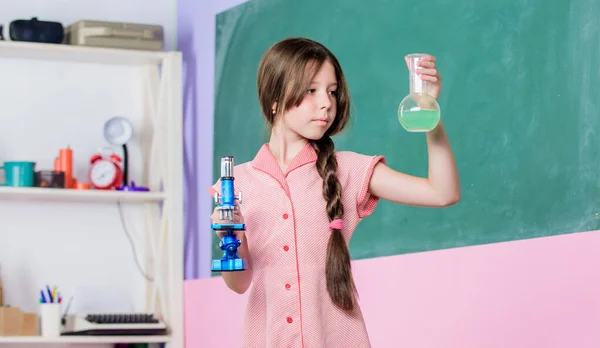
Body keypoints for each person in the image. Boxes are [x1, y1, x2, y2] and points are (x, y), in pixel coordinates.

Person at [208, 37, 460, 348]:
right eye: (311, 90)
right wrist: (232, 237)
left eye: (332, 92)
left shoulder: (348, 170)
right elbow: (239, 284)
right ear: (273, 98)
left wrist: (429, 112)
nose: (326, 103)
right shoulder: (236, 185)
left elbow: (442, 192)